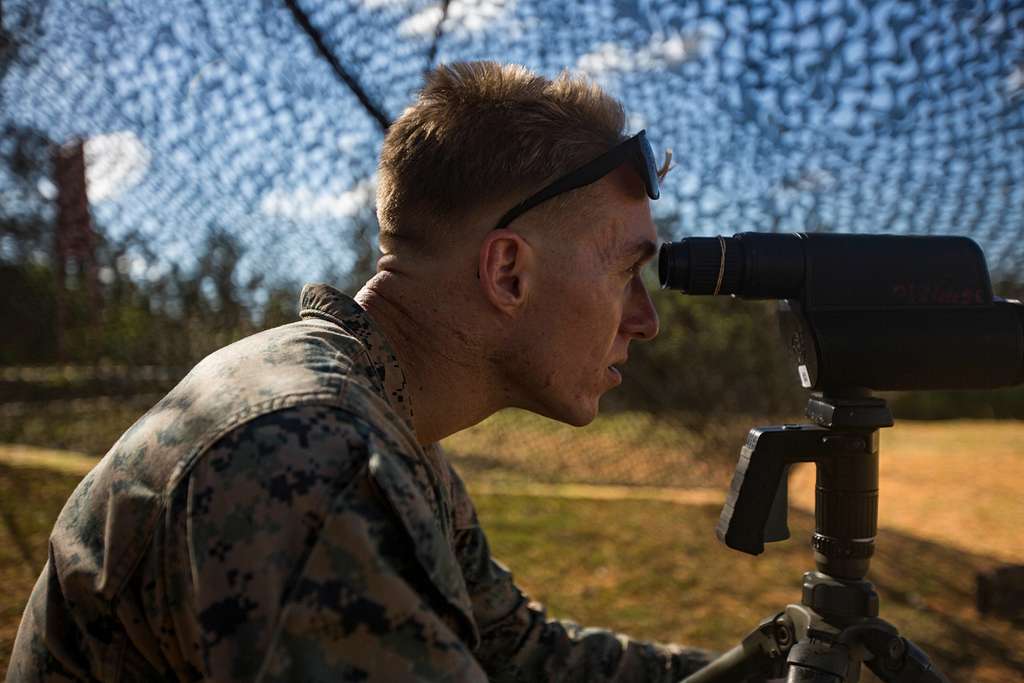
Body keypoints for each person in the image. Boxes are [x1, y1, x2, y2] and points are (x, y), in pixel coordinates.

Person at [9, 61, 710, 682]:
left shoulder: (382, 425)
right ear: (508, 271)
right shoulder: (311, 448)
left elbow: (519, 653)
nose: (644, 319)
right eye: (627, 272)